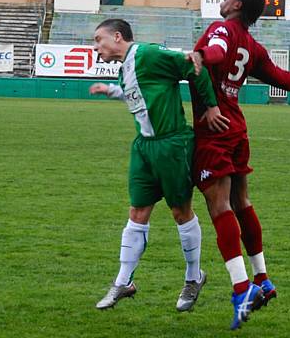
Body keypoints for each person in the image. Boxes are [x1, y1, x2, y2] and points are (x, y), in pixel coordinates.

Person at [186, 0, 290, 330]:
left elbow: (216, 51)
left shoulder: (221, 28)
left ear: (237, 4)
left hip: (215, 128)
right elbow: (287, 79)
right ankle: (263, 279)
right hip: (237, 129)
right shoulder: (253, 47)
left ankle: (242, 290)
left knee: (219, 207)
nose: (222, 0)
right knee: (241, 201)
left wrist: (200, 57)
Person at [89, 19, 230, 313]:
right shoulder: (124, 68)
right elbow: (136, 93)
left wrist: (211, 106)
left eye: (98, 39)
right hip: (144, 148)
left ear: (117, 37)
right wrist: (110, 90)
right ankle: (123, 281)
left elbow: (193, 65)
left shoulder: (149, 55)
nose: (95, 46)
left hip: (172, 145)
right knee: (137, 212)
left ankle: (194, 278)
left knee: (180, 212)